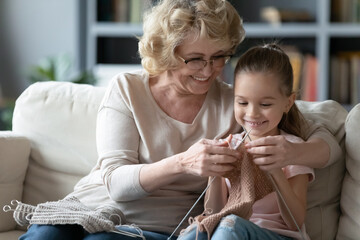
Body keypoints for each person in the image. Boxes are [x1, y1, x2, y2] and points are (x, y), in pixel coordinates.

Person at [19, 1, 339, 240]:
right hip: (92, 206)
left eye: (219, 57)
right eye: (195, 59)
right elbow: (115, 182)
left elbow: (328, 142)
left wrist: (290, 154)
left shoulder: (238, 102)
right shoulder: (127, 89)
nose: (208, 70)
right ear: (165, 53)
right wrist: (184, 163)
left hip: (154, 228)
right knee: (45, 235)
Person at [177, 43, 314, 240]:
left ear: (288, 102)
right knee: (197, 231)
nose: (252, 113)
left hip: (278, 235)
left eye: (265, 104)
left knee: (229, 225)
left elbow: (295, 222)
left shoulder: (291, 150)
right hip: (228, 230)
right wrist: (215, 174)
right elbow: (215, 212)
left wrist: (276, 171)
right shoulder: (231, 145)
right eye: (242, 102)